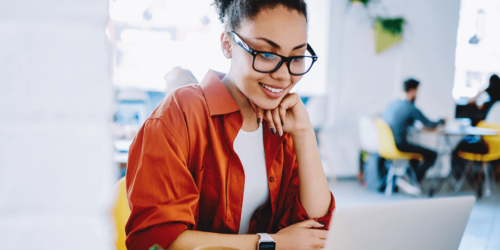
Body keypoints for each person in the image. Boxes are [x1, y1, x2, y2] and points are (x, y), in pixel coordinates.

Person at [124, 1, 334, 250]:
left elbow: (316, 232)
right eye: (266, 53)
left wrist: (304, 132)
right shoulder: (179, 113)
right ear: (227, 45)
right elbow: (156, 240)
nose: (284, 75)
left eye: (297, 57)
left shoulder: (284, 125)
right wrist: (270, 243)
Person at [380, 79, 444, 189]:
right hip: (400, 145)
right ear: (413, 91)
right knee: (432, 154)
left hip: (386, 146)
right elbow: (430, 124)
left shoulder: (392, 105)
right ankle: (413, 182)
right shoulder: (410, 108)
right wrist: (442, 121)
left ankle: (408, 177)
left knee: (416, 151)